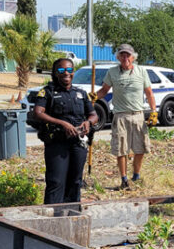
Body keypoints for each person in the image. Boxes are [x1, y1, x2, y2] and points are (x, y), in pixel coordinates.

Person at [94, 43, 158, 190]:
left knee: (140, 148)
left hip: (138, 115)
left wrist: (154, 111)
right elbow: (104, 91)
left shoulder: (141, 71)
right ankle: (124, 179)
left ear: (133, 57)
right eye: (122, 55)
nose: (125, 58)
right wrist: (93, 97)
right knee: (121, 149)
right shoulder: (112, 72)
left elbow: (149, 93)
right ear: (118, 57)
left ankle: (136, 175)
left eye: (127, 55)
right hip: (120, 116)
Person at [34, 58, 98, 204]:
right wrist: (62, 123)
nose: (66, 73)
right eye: (61, 70)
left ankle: (72, 215)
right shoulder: (47, 92)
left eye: (69, 70)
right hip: (57, 143)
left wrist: (88, 122)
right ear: (55, 73)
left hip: (78, 143)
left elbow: (94, 115)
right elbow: (38, 112)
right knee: (56, 181)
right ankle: (52, 218)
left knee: (75, 181)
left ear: (73, 72)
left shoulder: (81, 93)